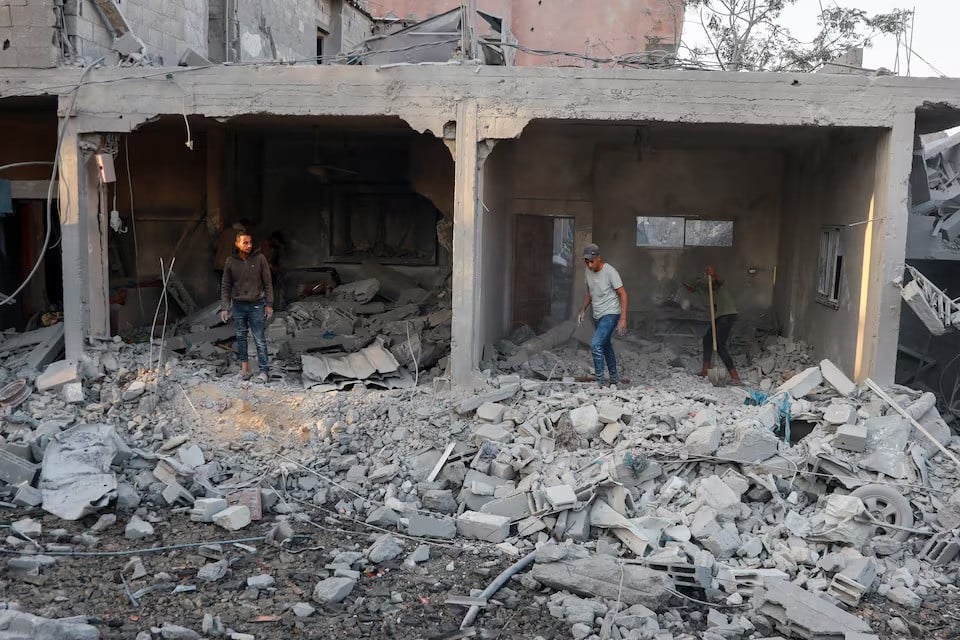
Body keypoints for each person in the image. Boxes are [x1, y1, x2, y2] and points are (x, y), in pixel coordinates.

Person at [220, 230, 274, 382]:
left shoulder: (260, 258)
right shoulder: (230, 261)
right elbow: (225, 285)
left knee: (259, 338)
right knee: (241, 337)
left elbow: (268, 283)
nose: (249, 245)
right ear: (237, 244)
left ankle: (264, 371)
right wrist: (225, 307)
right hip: (238, 305)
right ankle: (245, 370)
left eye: (250, 242)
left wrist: (269, 304)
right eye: (245, 243)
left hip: (257, 304)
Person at [576, 244, 628, 386]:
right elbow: (589, 292)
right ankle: (614, 379)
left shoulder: (610, 271)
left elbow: (623, 294)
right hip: (598, 315)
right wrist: (582, 310)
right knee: (606, 347)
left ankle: (599, 382)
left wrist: (623, 319)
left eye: (592, 261)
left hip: (611, 314)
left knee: (595, 344)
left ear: (599, 258)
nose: (589, 264)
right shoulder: (587, 271)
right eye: (587, 261)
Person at [684, 266, 741, 384]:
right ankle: (705, 370)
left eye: (688, 286)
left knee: (720, 345)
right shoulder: (700, 290)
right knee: (707, 339)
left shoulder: (707, 283)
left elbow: (719, 282)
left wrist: (714, 274)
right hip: (719, 317)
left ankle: (735, 377)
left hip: (727, 314)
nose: (688, 289)